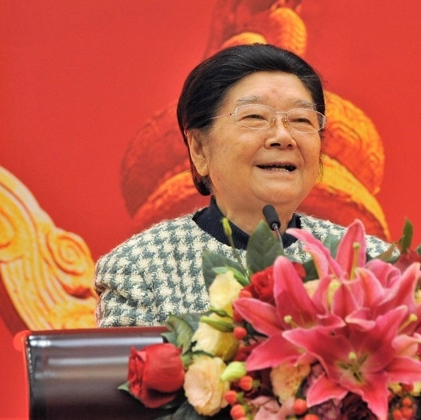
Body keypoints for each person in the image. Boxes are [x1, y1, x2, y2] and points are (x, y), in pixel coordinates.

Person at [95, 44, 391, 327]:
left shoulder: (371, 263)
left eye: (301, 120)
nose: (282, 137)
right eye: (255, 117)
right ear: (199, 149)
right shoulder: (141, 268)